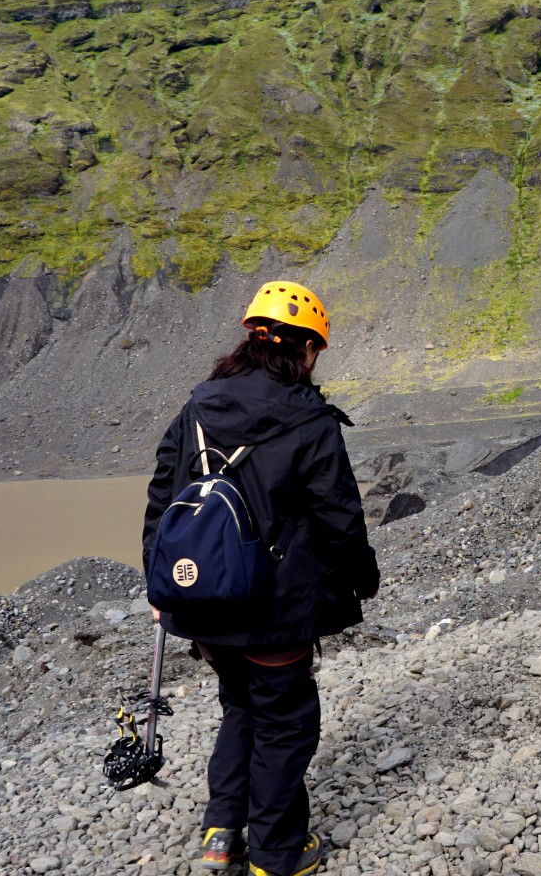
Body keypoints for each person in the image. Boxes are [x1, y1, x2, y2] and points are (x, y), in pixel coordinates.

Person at [142, 280, 377, 876]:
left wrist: (158, 585)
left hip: (199, 601)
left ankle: (222, 828)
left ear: (249, 338)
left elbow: (161, 500)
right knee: (285, 723)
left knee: (238, 704)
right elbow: (339, 515)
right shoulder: (309, 419)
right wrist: (362, 578)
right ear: (305, 348)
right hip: (275, 610)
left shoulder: (198, 406)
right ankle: (276, 854)